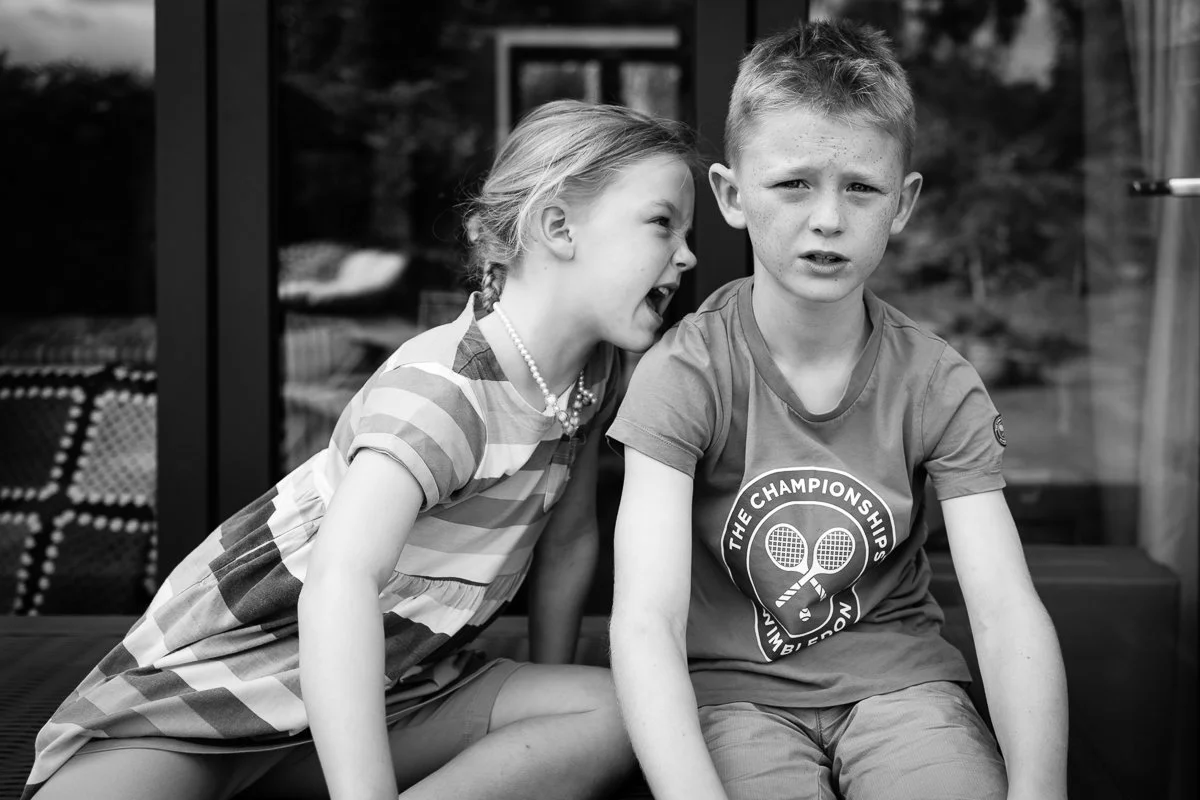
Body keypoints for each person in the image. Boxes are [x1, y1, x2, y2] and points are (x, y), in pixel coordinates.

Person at [25, 98, 699, 800]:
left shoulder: (590, 380)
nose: (687, 255)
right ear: (558, 226)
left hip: (392, 693)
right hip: (213, 697)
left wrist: (547, 673)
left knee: (622, 714)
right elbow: (338, 585)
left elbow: (569, 540)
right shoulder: (444, 391)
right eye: (661, 224)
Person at [607, 19, 1068, 800]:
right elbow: (644, 620)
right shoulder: (685, 372)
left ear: (903, 203)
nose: (828, 218)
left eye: (861, 187)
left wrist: (1038, 790)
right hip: (731, 695)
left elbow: (1004, 612)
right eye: (793, 184)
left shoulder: (937, 381)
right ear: (732, 195)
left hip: (905, 693)